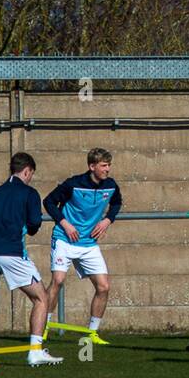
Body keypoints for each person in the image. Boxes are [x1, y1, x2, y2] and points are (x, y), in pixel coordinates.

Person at [0, 152, 63, 367]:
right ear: (27, 171)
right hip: (11, 252)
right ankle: (35, 351)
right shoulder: (29, 193)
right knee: (41, 299)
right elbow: (33, 224)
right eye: (31, 174)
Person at [42, 147, 122, 345]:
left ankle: (92, 334)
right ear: (92, 166)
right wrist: (65, 224)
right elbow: (49, 202)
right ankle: (42, 328)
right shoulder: (73, 184)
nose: (107, 169)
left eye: (109, 165)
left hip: (89, 244)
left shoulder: (111, 185)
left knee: (104, 287)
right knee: (58, 281)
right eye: (104, 165)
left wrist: (107, 220)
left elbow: (117, 203)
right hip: (64, 239)